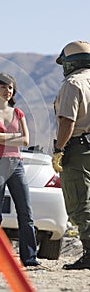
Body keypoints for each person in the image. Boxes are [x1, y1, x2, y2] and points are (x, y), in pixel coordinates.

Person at [0, 72, 40, 267]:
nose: (8, 91)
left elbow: (26, 140)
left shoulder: (18, 112)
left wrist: (1, 136)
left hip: (17, 165)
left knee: (26, 213)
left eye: (11, 87)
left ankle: (29, 258)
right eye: (3, 87)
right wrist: (13, 138)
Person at [52, 40, 90, 270]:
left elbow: (68, 120)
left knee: (79, 200)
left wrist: (59, 149)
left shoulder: (73, 83)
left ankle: (89, 254)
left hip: (78, 148)